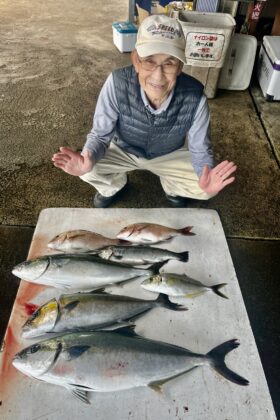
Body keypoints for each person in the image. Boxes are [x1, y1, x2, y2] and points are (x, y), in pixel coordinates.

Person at [52, 14, 237, 208]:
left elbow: (200, 148)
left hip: (169, 153)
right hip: (123, 149)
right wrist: (89, 156)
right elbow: (100, 134)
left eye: (169, 63)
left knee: (206, 188)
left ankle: (173, 187)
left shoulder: (195, 96)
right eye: (149, 60)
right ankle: (113, 186)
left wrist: (204, 175)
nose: (158, 76)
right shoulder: (116, 82)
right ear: (135, 60)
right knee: (87, 168)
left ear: (180, 67)